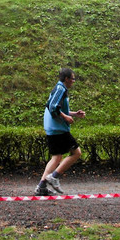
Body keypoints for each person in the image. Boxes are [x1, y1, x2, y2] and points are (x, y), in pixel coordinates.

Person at [35, 67, 86, 196]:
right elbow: (53, 108)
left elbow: (57, 108)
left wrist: (74, 114)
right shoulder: (61, 89)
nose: (74, 81)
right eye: (73, 78)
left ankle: (41, 186)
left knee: (56, 157)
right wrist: (66, 117)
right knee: (76, 153)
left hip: (53, 128)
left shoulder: (59, 89)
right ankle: (54, 176)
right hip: (58, 129)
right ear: (67, 79)